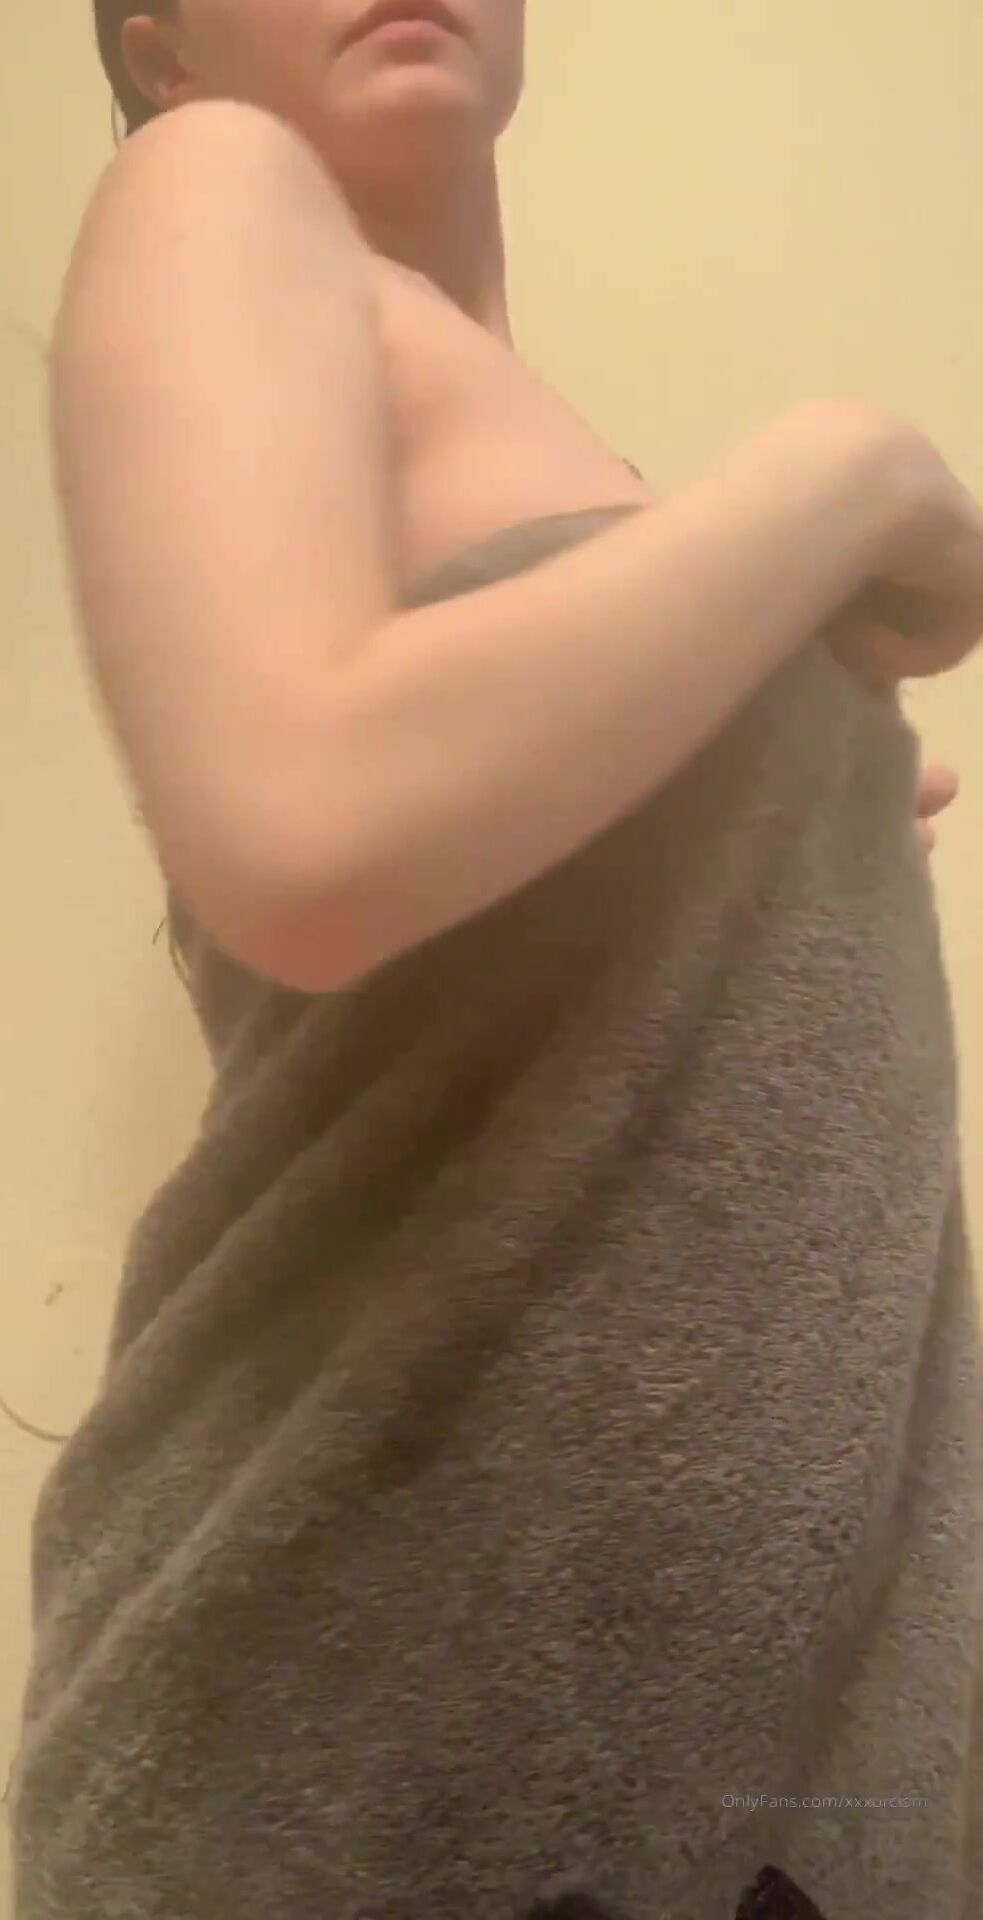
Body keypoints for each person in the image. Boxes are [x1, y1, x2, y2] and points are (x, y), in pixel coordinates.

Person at [11, 4, 983, 1917]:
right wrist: (852, 474)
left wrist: (788, 849)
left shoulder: (586, 478)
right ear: (162, 48)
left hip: (757, 1751)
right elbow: (301, 821)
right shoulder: (217, 184)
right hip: (385, 1707)